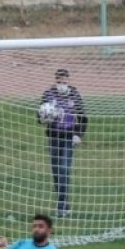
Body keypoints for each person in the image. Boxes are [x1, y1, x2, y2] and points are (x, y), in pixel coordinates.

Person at [40, 68, 88, 217]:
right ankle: (61, 204)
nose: (62, 82)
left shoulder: (74, 94)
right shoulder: (48, 94)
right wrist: (42, 117)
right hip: (54, 138)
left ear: (68, 80)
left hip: (68, 138)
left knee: (64, 169)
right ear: (56, 80)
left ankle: (64, 207)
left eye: (64, 80)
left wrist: (78, 134)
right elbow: (40, 113)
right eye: (59, 80)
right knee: (56, 172)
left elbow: (83, 116)